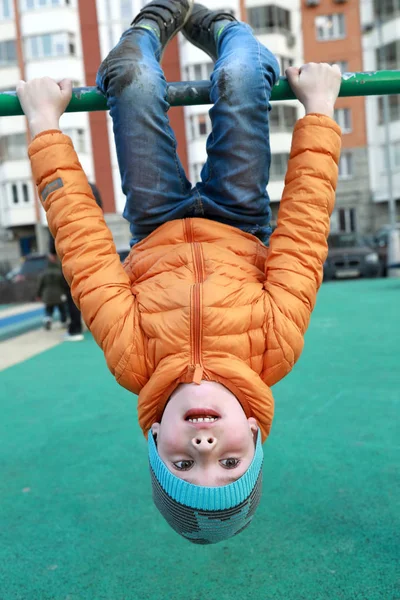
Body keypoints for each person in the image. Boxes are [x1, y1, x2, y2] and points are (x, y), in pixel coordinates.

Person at [17, 0, 342, 544]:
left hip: (155, 220)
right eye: (233, 462)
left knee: (132, 77)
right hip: (238, 219)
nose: (206, 449)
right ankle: (221, 27)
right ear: (256, 433)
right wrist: (320, 113)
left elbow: (85, 250)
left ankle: (151, 23)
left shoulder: (133, 358)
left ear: (154, 438)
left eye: (184, 468)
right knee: (240, 74)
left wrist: (45, 125)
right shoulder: (273, 348)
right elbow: (304, 233)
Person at [48, 182, 103, 342]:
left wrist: (52, 249)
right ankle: (100, 325)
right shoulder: (91, 188)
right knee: (95, 285)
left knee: (73, 288)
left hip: (73, 243)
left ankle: (75, 329)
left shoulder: (62, 188)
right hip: (94, 239)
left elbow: (56, 221)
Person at [36, 254, 68, 330]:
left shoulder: (43, 274)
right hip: (59, 294)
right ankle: (63, 322)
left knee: (48, 310)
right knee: (62, 310)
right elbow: (64, 284)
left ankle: (48, 320)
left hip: (47, 295)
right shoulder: (60, 273)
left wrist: (38, 295)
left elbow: (40, 285)